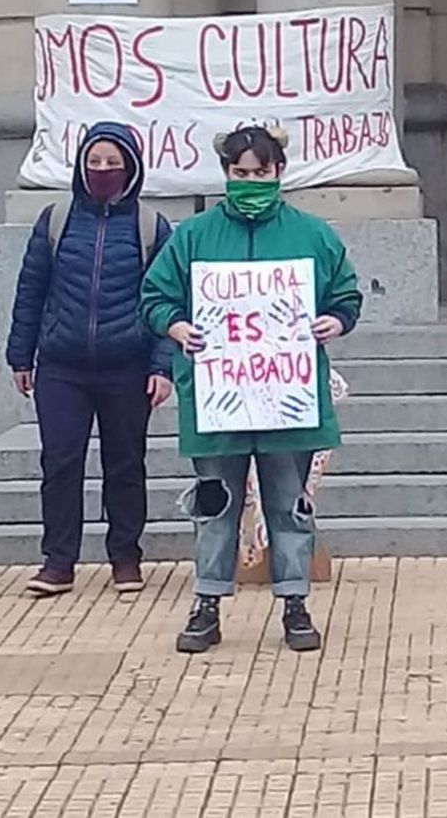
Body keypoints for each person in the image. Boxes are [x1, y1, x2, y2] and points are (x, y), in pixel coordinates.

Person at [140, 125, 363, 655]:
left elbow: (347, 294)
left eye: (260, 173)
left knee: (289, 503)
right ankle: (208, 602)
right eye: (240, 174)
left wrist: (335, 320)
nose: (250, 182)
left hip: (289, 397)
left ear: (279, 172)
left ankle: (294, 601)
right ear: (226, 175)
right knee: (215, 503)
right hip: (218, 400)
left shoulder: (314, 235)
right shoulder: (192, 237)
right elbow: (154, 295)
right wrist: (175, 326)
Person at [6, 122, 175, 598]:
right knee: (60, 462)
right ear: (81, 166)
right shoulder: (55, 220)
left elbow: (166, 299)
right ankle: (58, 562)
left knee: (125, 464)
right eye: (94, 162)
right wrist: (21, 355)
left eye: (112, 163)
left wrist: (161, 366)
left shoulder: (150, 226)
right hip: (61, 366)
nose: (102, 170)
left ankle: (126, 557)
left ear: (131, 168)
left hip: (128, 366)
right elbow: (30, 290)